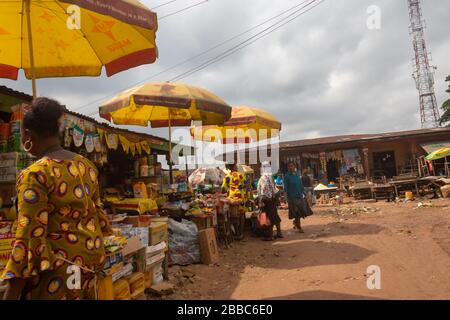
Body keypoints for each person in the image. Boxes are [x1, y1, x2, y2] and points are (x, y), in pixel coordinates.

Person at [1, 97, 112, 300]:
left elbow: (29, 238)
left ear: (28, 135)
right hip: (90, 262)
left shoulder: (35, 174)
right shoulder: (86, 165)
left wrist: (11, 293)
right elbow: (97, 215)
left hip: (58, 274)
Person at [257, 161, 282, 240]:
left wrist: (262, 199)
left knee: (269, 217)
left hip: (267, 199)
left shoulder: (264, 177)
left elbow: (264, 189)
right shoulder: (270, 176)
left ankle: (270, 236)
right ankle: (279, 232)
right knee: (274, 216)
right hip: (272, 198)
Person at [284, 162, 311, 233]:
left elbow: (301, 186)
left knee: (302, 211)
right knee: (297, 213)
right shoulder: (286, 176)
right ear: (288, 168)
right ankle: (299, 227)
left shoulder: (297, 175)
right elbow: (285, 189)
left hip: (299, 196)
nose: (291, 167)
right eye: (289, 166)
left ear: (294, 167)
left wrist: (305, 194)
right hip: (292, 198)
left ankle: (295, 223)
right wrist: (286, 199)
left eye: (292, 166)